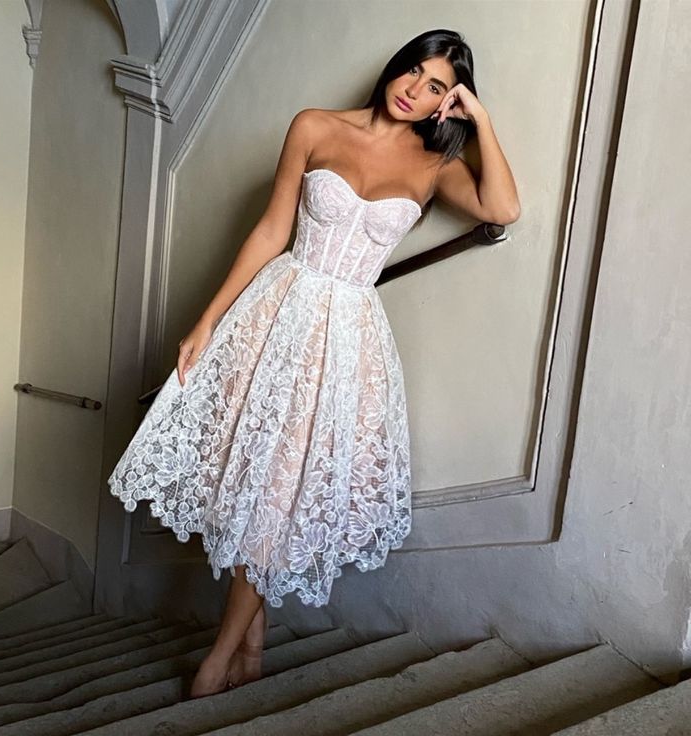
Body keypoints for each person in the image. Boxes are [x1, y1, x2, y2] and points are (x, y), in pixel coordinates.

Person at [107, 28, 520, 699]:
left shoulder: (436, 165)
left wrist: (483, 121)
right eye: (413, 72)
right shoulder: (315, 126)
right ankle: (246, 645)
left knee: (283, 491)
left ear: (452, 101)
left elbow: (504, 207)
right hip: (280, 313)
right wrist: (206, 321)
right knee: (252, 479)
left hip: (350, 340)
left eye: (438, 87)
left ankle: (222, 656)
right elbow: (271, 230)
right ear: (395, 68)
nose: (416, 89)